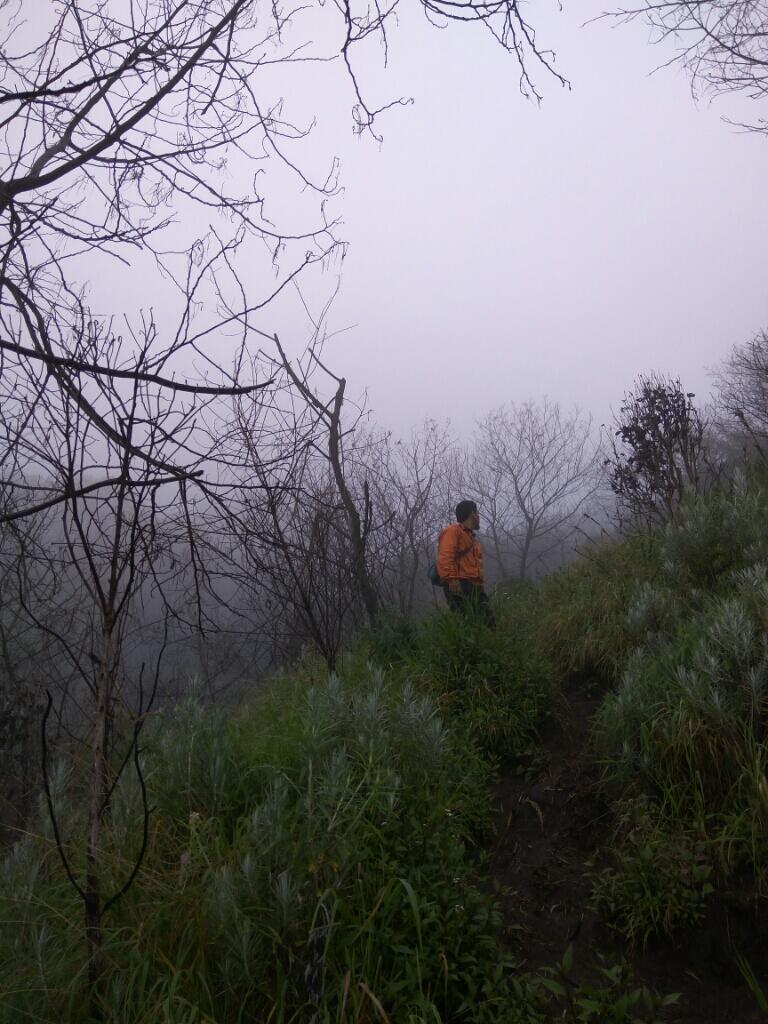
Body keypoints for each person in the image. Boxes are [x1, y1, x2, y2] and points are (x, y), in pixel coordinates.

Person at [436, 499, 495, 628]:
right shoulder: (452, 531)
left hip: (474, 586)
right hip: (459, 585)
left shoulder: (471, 537)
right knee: (469, 624)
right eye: (477, 512)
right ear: (473, 514)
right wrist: (452, 580)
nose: (479, 516)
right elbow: (445, 556)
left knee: (487, 622)